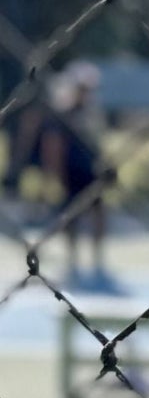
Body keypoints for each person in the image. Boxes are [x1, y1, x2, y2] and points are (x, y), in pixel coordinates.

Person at [7, 63, 114, 288]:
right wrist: (53, 176)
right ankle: (73, 262)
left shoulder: (92, 112)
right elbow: (52, 145)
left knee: (98, 214)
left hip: (91, 171)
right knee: (71, 219)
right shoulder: (62, 114)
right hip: (71, 172)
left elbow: (98, 141)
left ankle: (98, 262)